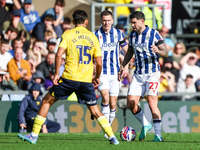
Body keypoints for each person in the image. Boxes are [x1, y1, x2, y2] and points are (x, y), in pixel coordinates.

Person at [17, 9, 119, 145]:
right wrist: (97, 76)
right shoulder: (93, 37)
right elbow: (99, 62)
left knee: (46, 101)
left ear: (73, 22)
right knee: (95, 110)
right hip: (85, 80)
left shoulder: (68, 34)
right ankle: (112, 137)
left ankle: (34, 135)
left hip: (69, 78)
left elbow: (58, 55)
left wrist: (56, 74)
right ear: (86, 22)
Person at [118, 11, 168, 142]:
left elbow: (167, 52)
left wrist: (159, 51)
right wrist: (124, 65)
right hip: (138, 74)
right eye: (131, 23)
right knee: (131, 102)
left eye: (134, 22)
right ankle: (146, 124)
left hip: (152, 74)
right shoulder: (133, 35)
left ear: (142, 21)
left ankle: (158, 135)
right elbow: (129, 52)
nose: (132, 25)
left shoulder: (154, 33)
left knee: (152, 103)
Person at [94, 10, 129, 138]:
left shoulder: (118, 34)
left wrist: (125, 66)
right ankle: (107, 130)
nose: (106, 23)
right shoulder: (96, 35)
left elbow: (128, 51)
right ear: (101, 21)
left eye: (108, 20)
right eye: (104, 20)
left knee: (113, 103)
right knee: (105, 98)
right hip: (102, 73)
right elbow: (91, 53)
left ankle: (107, 126)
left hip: (115, 74)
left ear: (112, 21)